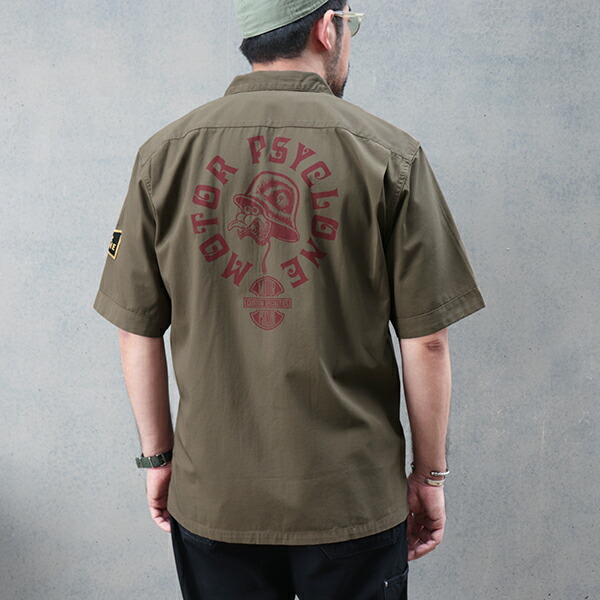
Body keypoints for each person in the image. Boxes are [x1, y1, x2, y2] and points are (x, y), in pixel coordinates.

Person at [93, 1, 486, 598]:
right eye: (350, 24)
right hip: (350, 497)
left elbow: (136, 329)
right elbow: (427, 340)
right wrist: (429, 475)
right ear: (328, 28)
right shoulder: (390, 154)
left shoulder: (163, 154)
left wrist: (158, 460)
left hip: (215, 495)